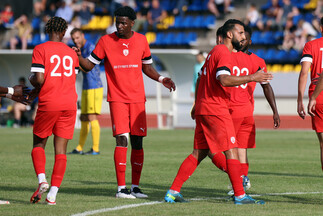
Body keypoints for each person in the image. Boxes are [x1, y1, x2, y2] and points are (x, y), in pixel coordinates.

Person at [164, 19, 272, 205]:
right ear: (229, 34)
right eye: (240, 32)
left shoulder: (213, 53)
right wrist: (253, 77)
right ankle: (240, 195)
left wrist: (196, 105)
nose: (243, 36)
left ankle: (172, 192)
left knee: (198, 152)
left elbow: (201, 80)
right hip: (216, 108)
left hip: (204, 108)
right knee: (231, 151)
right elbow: (223, 79)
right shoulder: (223, 51)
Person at [72, 6, 176, 199]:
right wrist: (77, 56)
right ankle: (121, 188)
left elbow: (148, 67)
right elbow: (88, 66)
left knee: (138, 141)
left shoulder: (142, 40)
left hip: (137, 99)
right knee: (122, 139)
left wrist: (162, 79)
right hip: (117, 99)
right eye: (116, 22)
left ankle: (135, 187)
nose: (119, 26)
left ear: (132, 23)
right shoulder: (105, 41)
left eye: (123, 23)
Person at [28, 16, 79, 205]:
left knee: (38, 145)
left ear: (47, 30)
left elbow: (39, 79)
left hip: (50, 102)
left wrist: (31, 80)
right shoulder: (72, 53)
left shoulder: (40, 49)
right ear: (64, 32)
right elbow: (71, 78)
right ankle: (53, 194)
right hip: (69, 103)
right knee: (61, 151)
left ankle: (42, 180)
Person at [224, 25, 280, 195]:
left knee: (229, 150)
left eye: (244, 38)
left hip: (233, 111)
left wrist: (275, 111)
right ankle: (242, 180)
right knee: (240, 149)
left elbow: (266, 86)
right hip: (244, 111)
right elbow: (266, 87)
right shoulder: (255, 61)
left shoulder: (230, 58)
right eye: (240, 37)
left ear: (250, 40)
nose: (242, 40)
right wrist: (275, 111)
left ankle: (239, 181)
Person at [68, 28, 103, 155]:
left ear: (82, 36)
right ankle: (79, 148)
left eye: (77, 38)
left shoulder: (90, 47)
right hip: (86, 86)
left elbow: (87, 66)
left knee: (92, 116)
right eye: (73, 39)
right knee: (83, 117)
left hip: (94, 86)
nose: (75, 41)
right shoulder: (81, 49)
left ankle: (96, 148)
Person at [298, 16, 323, 172]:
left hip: (318, 96)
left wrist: (300, 99)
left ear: (321, 28)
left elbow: (304, 73)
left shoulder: (311, 45)